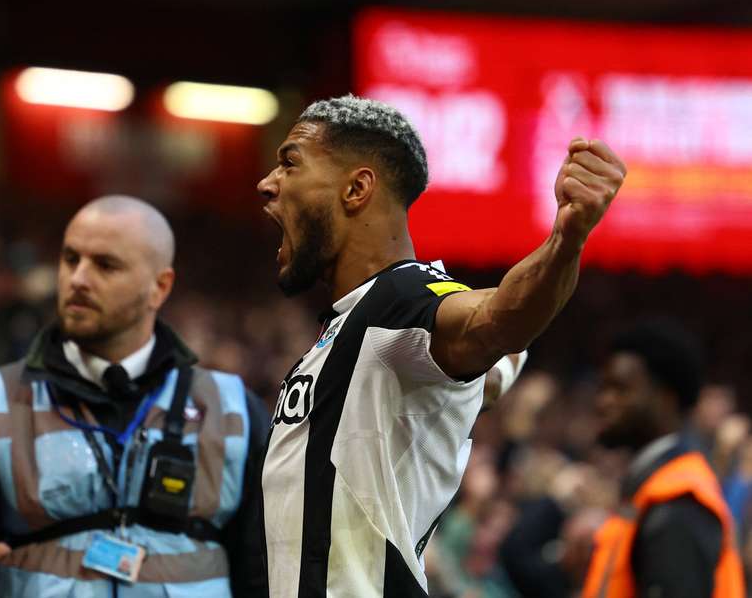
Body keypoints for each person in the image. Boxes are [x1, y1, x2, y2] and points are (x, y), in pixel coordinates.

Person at [255, 94, 626, 597]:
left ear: (357, 188)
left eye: (290, 163)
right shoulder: (351, 329)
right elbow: (496, 354)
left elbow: (495, 321)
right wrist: (495, 370)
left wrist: (566, 238)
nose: (268, 184)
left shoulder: (400, 299)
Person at [0, 195, 270, 597]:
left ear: (159, 287)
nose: (79, 279)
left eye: (105, 265)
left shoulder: (235, 410)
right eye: (71, 259)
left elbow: (264, 571)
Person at [582, 320, 745, 597]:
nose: (603, 401)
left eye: (620, 389)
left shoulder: (679, 500)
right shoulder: (653, 488)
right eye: (603, 388)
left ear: (666, 399)